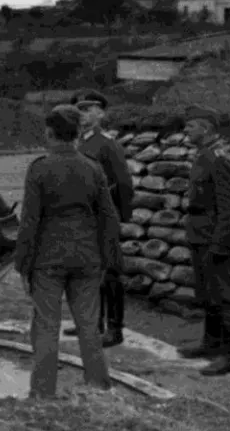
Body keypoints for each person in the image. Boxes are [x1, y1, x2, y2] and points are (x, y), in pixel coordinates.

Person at [15, 105, 119, 399]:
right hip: (87, 258)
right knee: (89, 325)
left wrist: (22, 264)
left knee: (47, 326)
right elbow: (108, 217)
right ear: (76, 134)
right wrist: (107, 259)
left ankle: (43, 393)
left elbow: (29, 221)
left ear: (49, 133)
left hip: (48, 259)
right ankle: (99, 389)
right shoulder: (92, 167)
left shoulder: (40, 168)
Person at [176, 105, 230, 376]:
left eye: (190, 126)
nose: (185, 130)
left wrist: (220, 242)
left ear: (205, 129)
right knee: (207, 294)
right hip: (200, 234)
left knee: (225, 297)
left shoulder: (218, 158)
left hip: (215, 237)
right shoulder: (203, 155)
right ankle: (211, 343)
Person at [62, 89, 135, 348]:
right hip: (84, 220)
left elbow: (124, 183)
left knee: (110, 274)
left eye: (87, 109)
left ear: (101, 113)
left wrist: (121, 218)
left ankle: (115, 329)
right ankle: (94, 322)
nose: (82, 114)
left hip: (104, 219)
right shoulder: (79, 143)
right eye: (78, 109)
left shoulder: (107, 144)